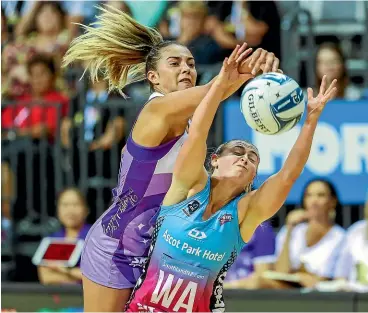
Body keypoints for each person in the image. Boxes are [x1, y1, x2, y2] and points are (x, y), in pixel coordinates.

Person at [62, 5, 280, 312]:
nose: (186, 69)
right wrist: (244, 71)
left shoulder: (193, 120)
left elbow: (215, 93)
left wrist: (249, 71)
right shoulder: (156, 110)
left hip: (155, 252)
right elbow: (214, 90)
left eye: (190, 63)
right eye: (174, 63)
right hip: (117, 246)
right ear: (153, 77)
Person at [125, 45, 337, 312]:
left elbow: (287, 176)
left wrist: (310, 122)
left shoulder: (246, 213)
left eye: (252, 158)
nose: (245, 158)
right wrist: (221, 83)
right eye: (237, 151)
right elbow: (198, 132)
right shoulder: (189, 185)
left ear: (253, 177)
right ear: (214, 160)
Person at [273, 179, 345, 288]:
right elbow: (281, 271)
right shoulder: (293, 230)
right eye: (309, 195)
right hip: (286, 291)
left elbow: (333, 278)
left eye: (320, 195)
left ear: (333, 201)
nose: (314, 201)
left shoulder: (340, 237)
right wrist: (289, 229)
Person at [38, 187, 91, 285]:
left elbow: (97, 276)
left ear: (86, 209)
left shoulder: (95, 238)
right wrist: (77, 277)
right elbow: (46, 277)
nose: (70, 210)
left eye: (76, 205)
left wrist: (63, 270)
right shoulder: (53, 239)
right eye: (65, 205)